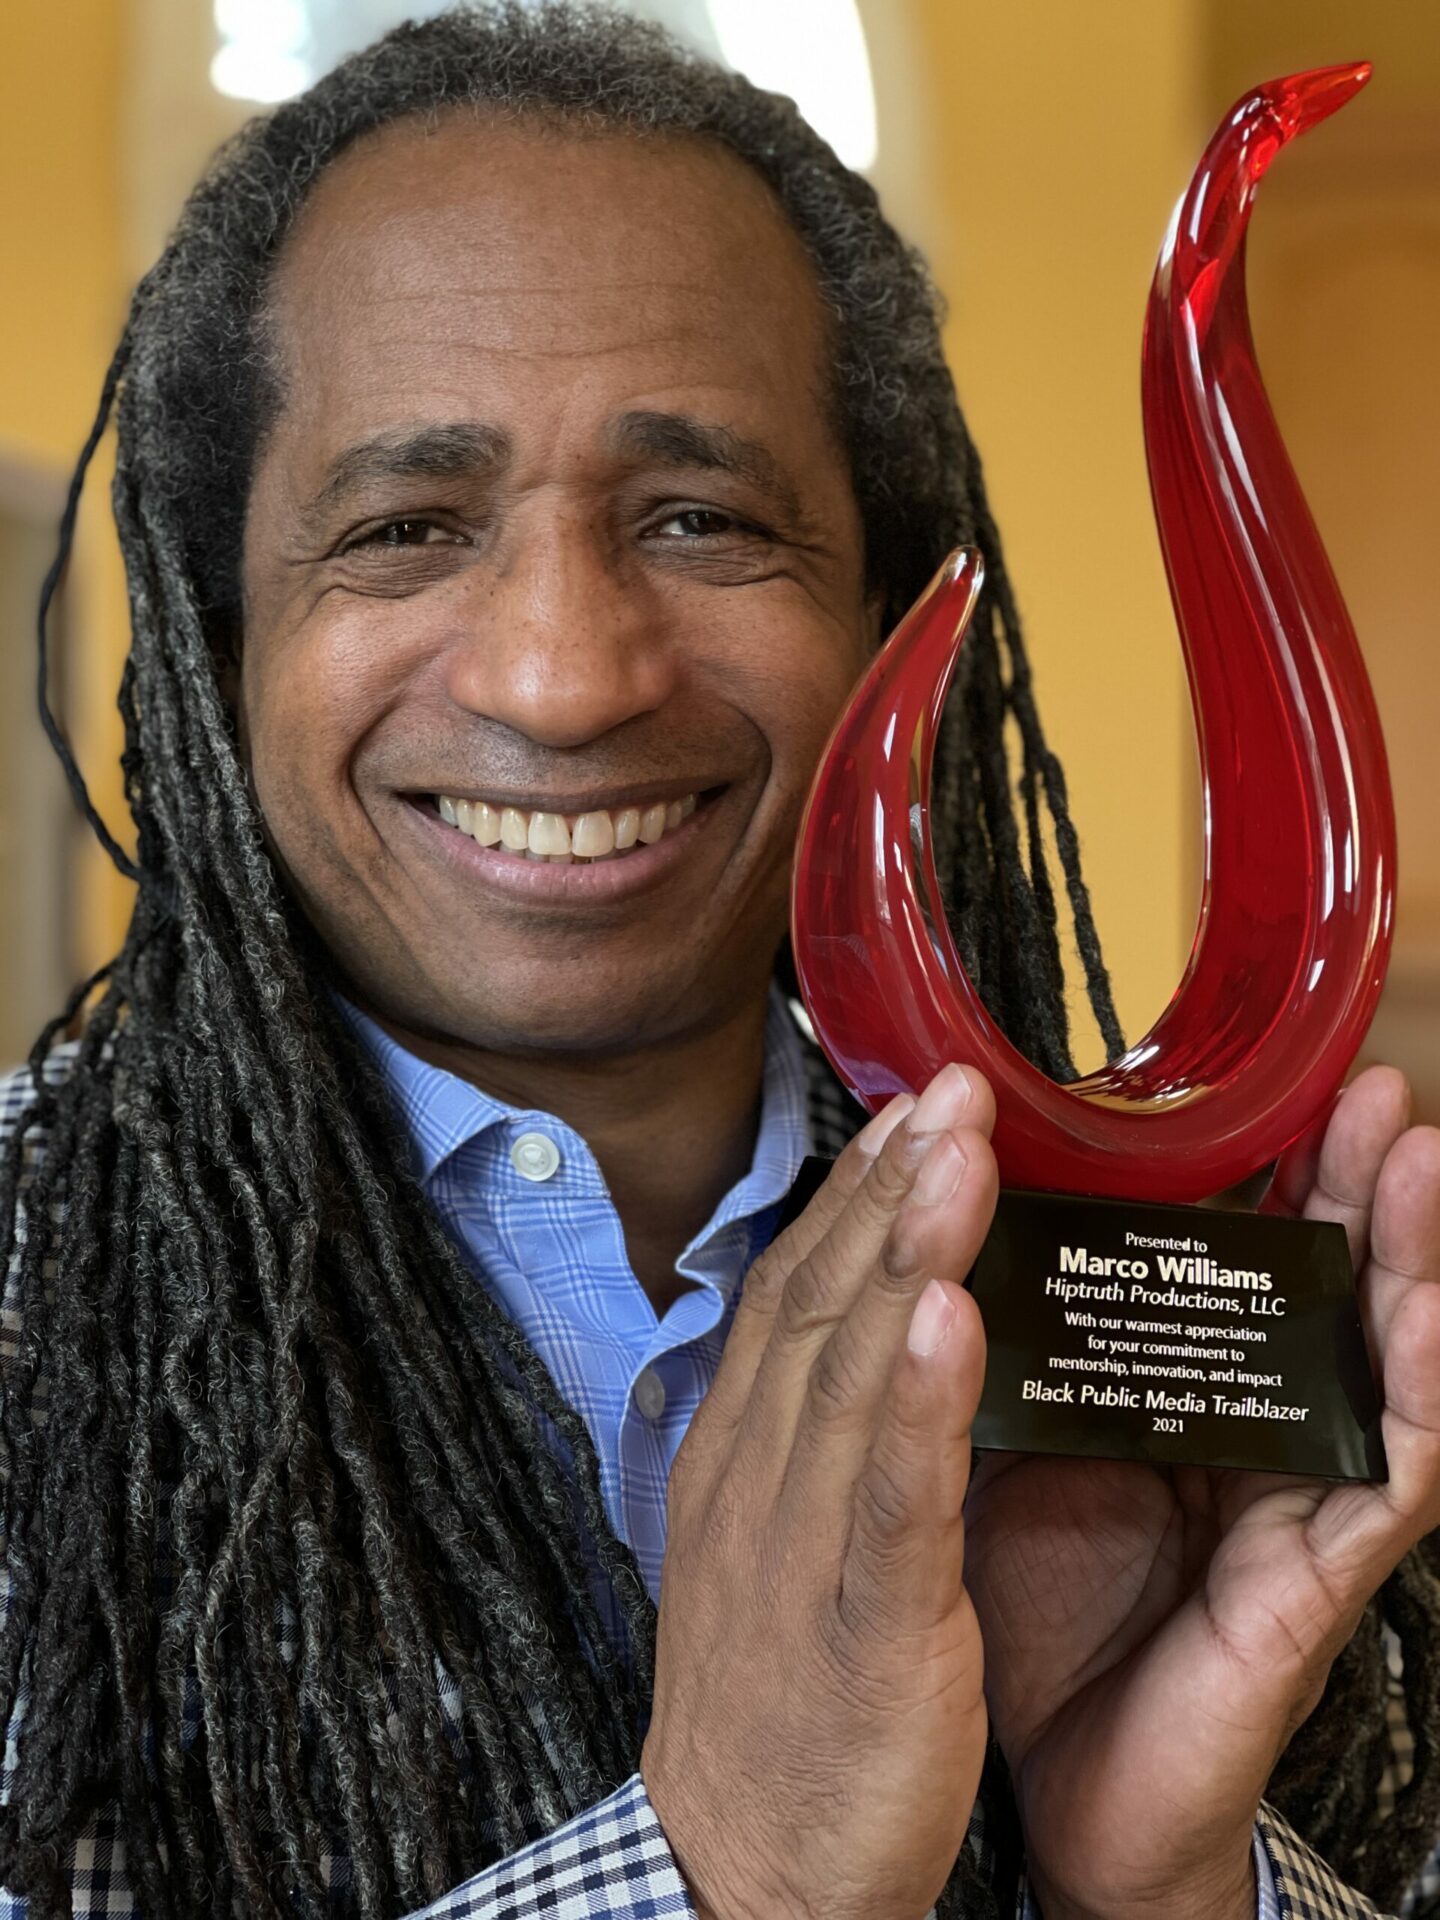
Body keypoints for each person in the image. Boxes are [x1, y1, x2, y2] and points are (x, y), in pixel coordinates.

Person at [3, 6, 1439, 1916]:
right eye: (406, 527)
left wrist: (1164, 1877)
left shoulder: (1167, 1345)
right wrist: (721, 1871)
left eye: (700, 519)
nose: (563, 676)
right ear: (220, 633)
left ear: (883, 608)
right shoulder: (26, 1302)